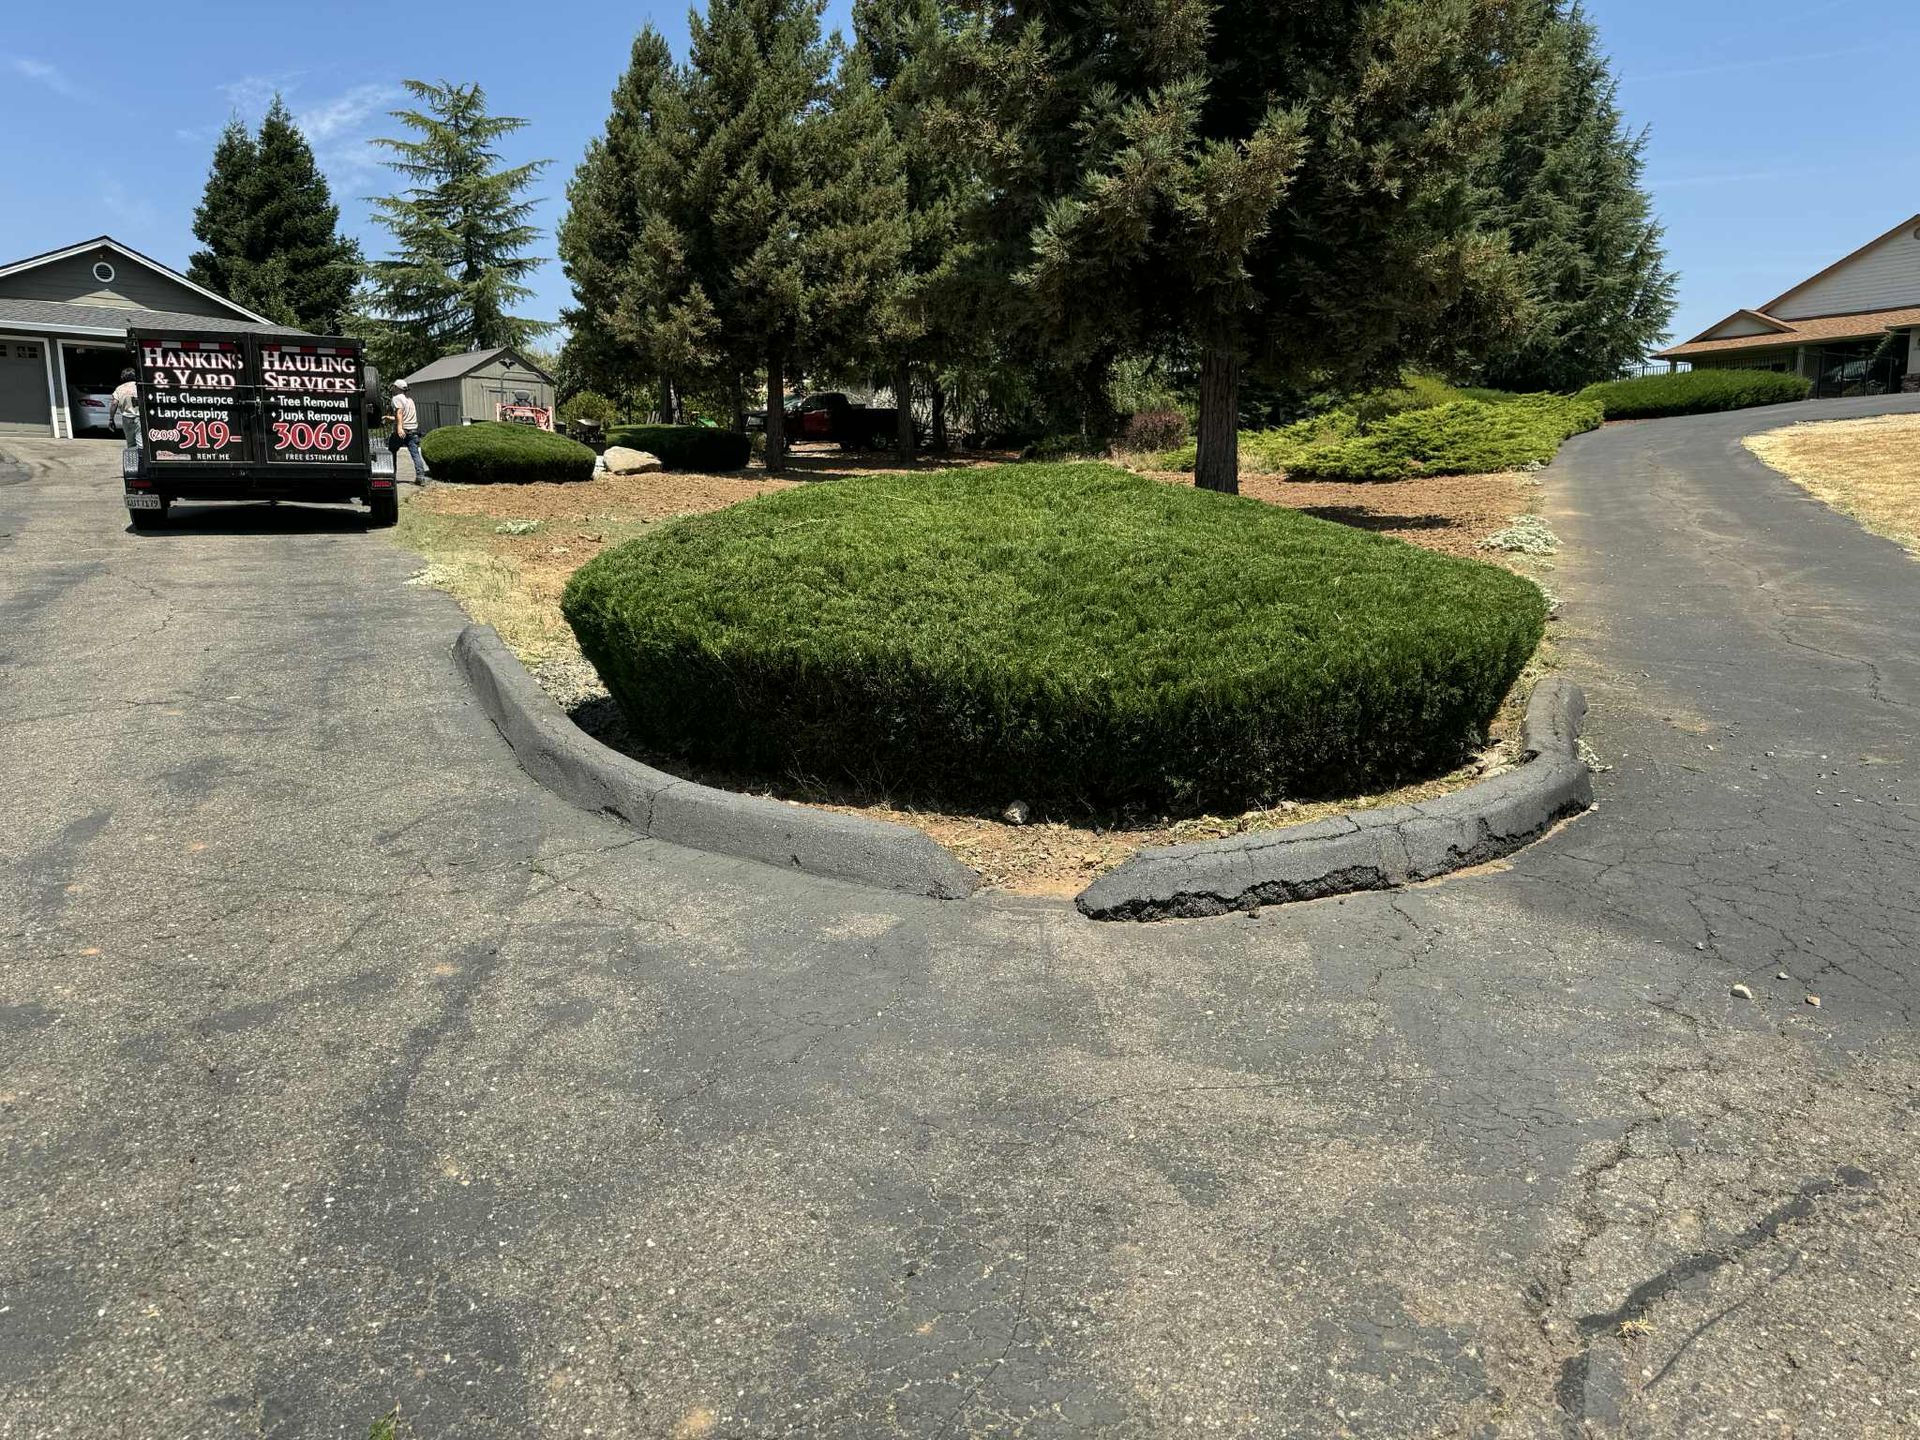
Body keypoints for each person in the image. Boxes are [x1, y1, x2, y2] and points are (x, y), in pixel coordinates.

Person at [388, 379, 430, 482]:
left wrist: (399, 429)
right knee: (415, 454)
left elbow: (400, 413)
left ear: (397, 388)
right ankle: (420, 477)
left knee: (391, 451)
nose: (392, 388)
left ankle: (391, 475)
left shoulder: (397, 398)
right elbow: (404, 416)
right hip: (413, 431)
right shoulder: (410, 400)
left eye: (394, 387)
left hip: (402, 431)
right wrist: (390, 418)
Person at [109, 367, 140, 448]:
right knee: (141, 443)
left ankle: (132, 459)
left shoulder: (119, 388)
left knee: (131, 444)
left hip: (126, 418)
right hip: (140, 417)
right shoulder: (139, 386)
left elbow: (114, 403)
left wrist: (111, 419)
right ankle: (141, 460)